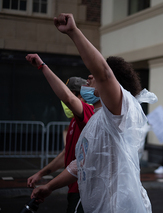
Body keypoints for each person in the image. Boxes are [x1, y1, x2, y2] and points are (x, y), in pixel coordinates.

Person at [29, 13, 156, 213]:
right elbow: (79, 165)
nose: (90, 76)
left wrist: (73, 32)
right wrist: (49, 187)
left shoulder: (120, 113)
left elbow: (103, 73)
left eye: (94, 75)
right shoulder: (97, 121)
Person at [26, 74, 94, 212]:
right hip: (73, 188)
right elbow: (67, 155)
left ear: (73, 94)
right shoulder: (74, 121)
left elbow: (68, 99)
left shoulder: (89, 115)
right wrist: (41, 173)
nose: (63, 101)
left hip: (83, 190)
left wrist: (41, 67)